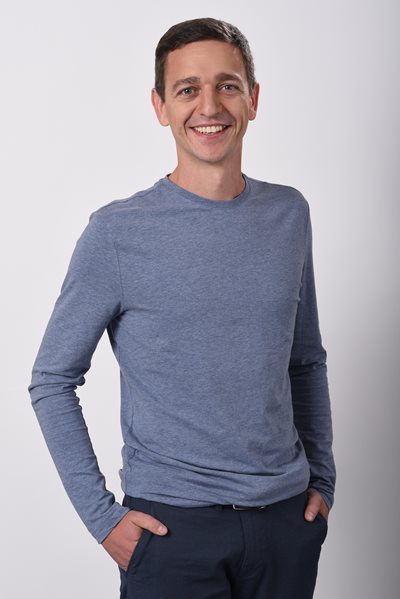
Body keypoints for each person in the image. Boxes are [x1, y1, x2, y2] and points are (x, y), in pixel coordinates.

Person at [28, 17, 336, 599]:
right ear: (161, 106)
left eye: (227, 85)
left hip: (286, 521)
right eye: (188, 89)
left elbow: (304, 360)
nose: (209, 106)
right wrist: (103, 519)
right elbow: (52, 379)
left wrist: (323, 478)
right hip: (172, 530)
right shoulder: (117, 233)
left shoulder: (289, 214)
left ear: (253, 99)